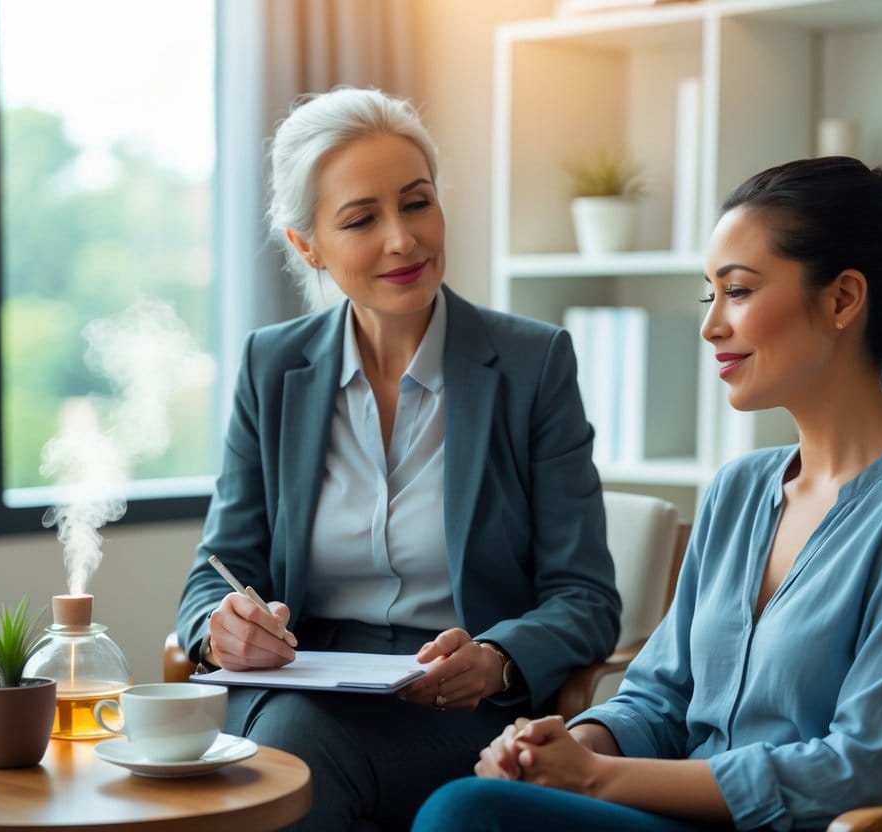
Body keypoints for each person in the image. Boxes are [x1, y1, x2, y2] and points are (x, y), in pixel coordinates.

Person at [412, 155, 882, 832]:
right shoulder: (739, 490)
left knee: (466, 812)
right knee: (477, 801)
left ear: (842, 299)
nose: (711, 325)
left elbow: (855, 769)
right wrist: (568, 747)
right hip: (684, 818)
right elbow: (659, 699)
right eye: (709, 294)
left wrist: (598, 778)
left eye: (739, 291)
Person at [174, 86, 620, 832]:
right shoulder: (270, 367)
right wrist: (218, 627)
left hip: (458, 710)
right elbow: (212, 573)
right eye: (361, 219)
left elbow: (585, 596)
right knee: (275, 742)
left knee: (286, 757)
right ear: (305, 244)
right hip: (298, 693)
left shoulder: (531, 363)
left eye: (417, 203)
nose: (402, 240)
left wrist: (498, 655)